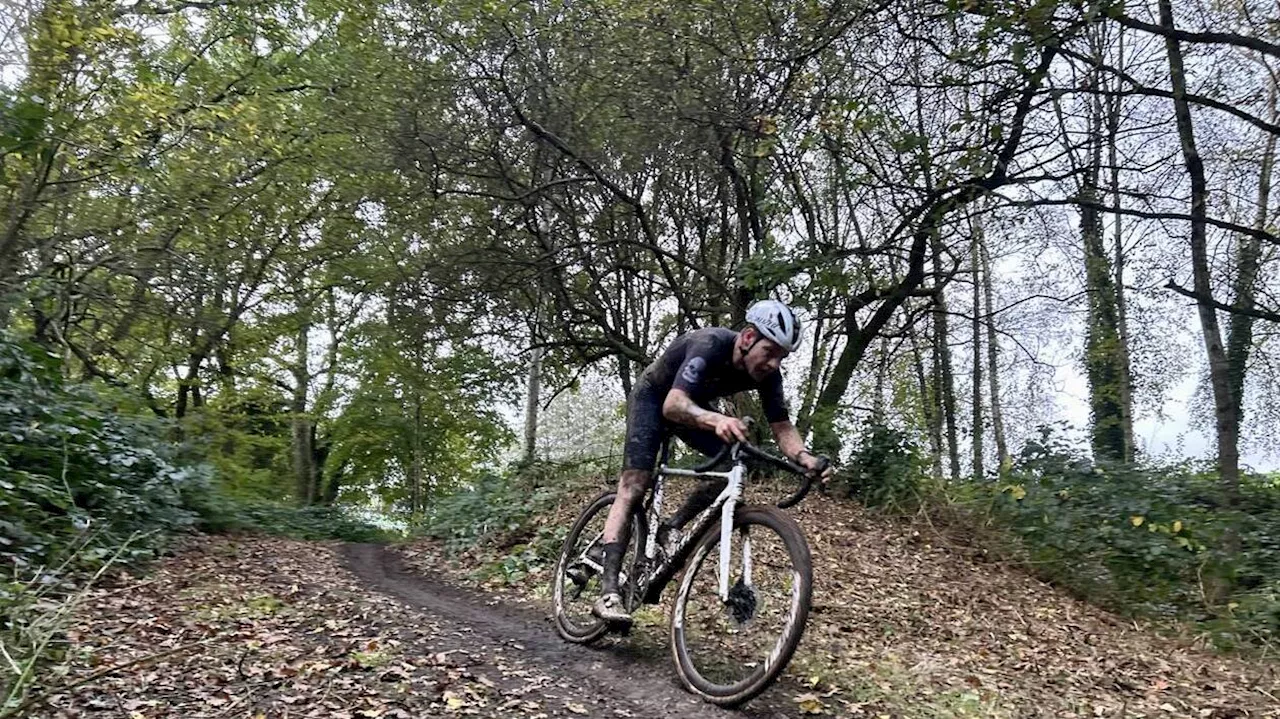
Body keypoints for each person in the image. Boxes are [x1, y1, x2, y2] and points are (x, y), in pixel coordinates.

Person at [592, 299, 834, 627]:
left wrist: (805, 457)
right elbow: (673, 404)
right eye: (771, 351)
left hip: (691, 406)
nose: (774, 363)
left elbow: (782, 427)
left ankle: (672, 528)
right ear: (748, 338)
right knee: (634, 485)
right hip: (655, 398)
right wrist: (715, 419)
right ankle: (608, 593)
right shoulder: (710, 344)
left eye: (782, 357)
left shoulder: (768, 375)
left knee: (731, 464)